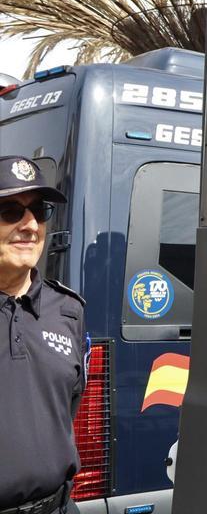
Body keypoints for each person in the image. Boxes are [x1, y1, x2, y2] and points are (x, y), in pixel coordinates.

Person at [0, 155, 85, 514]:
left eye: (40, 211)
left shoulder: (69, 310)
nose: (31, 225)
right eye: (10, 211)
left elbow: (67, 407)